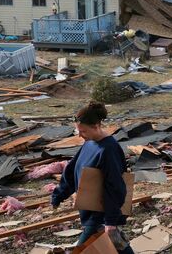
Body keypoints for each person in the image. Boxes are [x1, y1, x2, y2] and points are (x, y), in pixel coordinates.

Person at [52, 102, 133, 253]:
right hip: (91, 211)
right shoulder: (90, 143)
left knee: (84, 250)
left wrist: (111, 221)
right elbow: (72, 170)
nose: (80, 135)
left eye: (83, 131)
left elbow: (115, 186)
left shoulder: (108, 149)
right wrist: (59, 195)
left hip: (101, 213)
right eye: (78, 131)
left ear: (96, 126)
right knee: (118, 246)